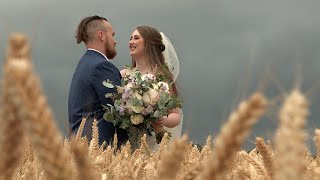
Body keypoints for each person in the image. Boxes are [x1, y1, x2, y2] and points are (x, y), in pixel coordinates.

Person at [68, 15, 128, 146]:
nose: (115, 41)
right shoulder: (102, 66)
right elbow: (119, 111)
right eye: (112, 35)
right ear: (101, 35)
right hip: (101, 150)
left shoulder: (84, 63)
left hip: (83, 146)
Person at [122, 25, 183, 151]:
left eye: (136, 38)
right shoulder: (123, 75)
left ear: (149, 43)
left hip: (153, 144)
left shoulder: (162, 77)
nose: (131, 42)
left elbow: (176, 115)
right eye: (130, 38)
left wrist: (164, 120)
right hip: (125, 142)